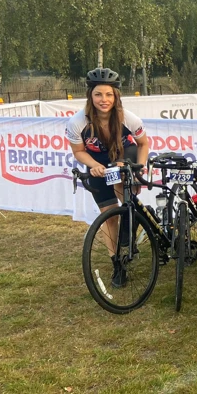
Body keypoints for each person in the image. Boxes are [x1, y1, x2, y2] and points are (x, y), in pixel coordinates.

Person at [66, 68, 150, 288]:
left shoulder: (127, 118)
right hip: (98, 163)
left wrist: (140, 169)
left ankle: (128, 239)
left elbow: (143, 144)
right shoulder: (77, 122)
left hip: (125, 156)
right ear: (90, 96)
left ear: (116, 96)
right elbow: (78, 151)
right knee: (109, 215)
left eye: (109, 95)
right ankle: (117, 264)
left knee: (129, 203)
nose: (104, 100)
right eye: (98, 95)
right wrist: (93, 165)